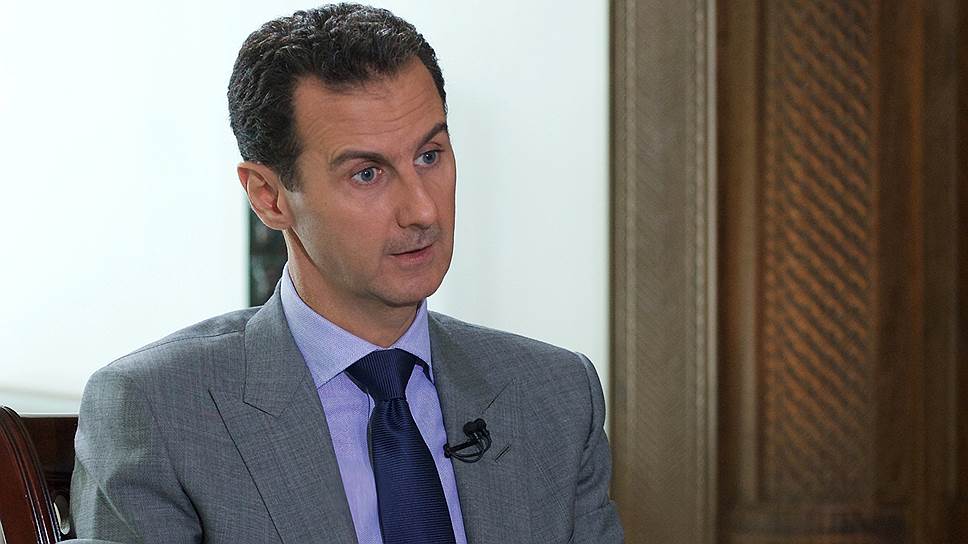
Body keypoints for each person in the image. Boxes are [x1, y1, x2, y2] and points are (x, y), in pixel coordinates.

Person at [69, 4, 623, 543]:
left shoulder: (556, 394)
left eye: (430, 156)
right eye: (366, 174)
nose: (423, 211)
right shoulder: (156, 411)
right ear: (268, 197)